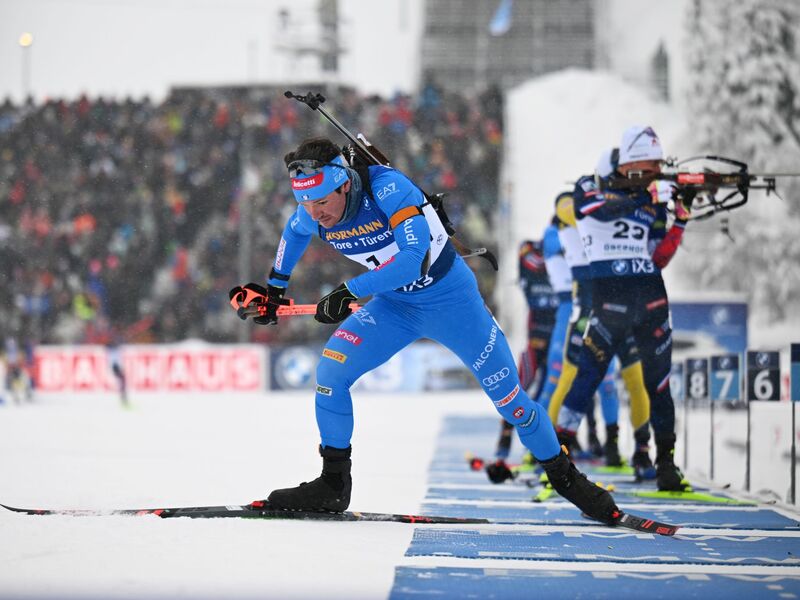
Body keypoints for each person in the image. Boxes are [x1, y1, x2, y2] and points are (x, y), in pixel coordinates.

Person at [231, 136, 619, 523]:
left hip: (453, 303)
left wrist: (350, 290)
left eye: (321, 202)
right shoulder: (314, 209)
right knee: (331, 372)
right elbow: (295, 231)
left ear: (344, 184)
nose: (315, 214)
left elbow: (413, 260)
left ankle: (568, 480)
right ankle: (333, 483)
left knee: (512, 403)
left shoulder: (389, 189)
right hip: (396, 306)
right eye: (305, 204)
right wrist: (275, 289)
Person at [555, 126, 690, 491]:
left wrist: (680, 219)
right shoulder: (589, 187)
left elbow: (658, 256)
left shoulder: (651, 201)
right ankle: (557, 460)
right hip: (610, 300)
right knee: (587, 378)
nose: (655, 172)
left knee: (658, 384)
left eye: (657, 166)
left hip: (650, 298)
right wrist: (644, 196)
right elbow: (594, 209)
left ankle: (666, 464)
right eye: (648, 166)